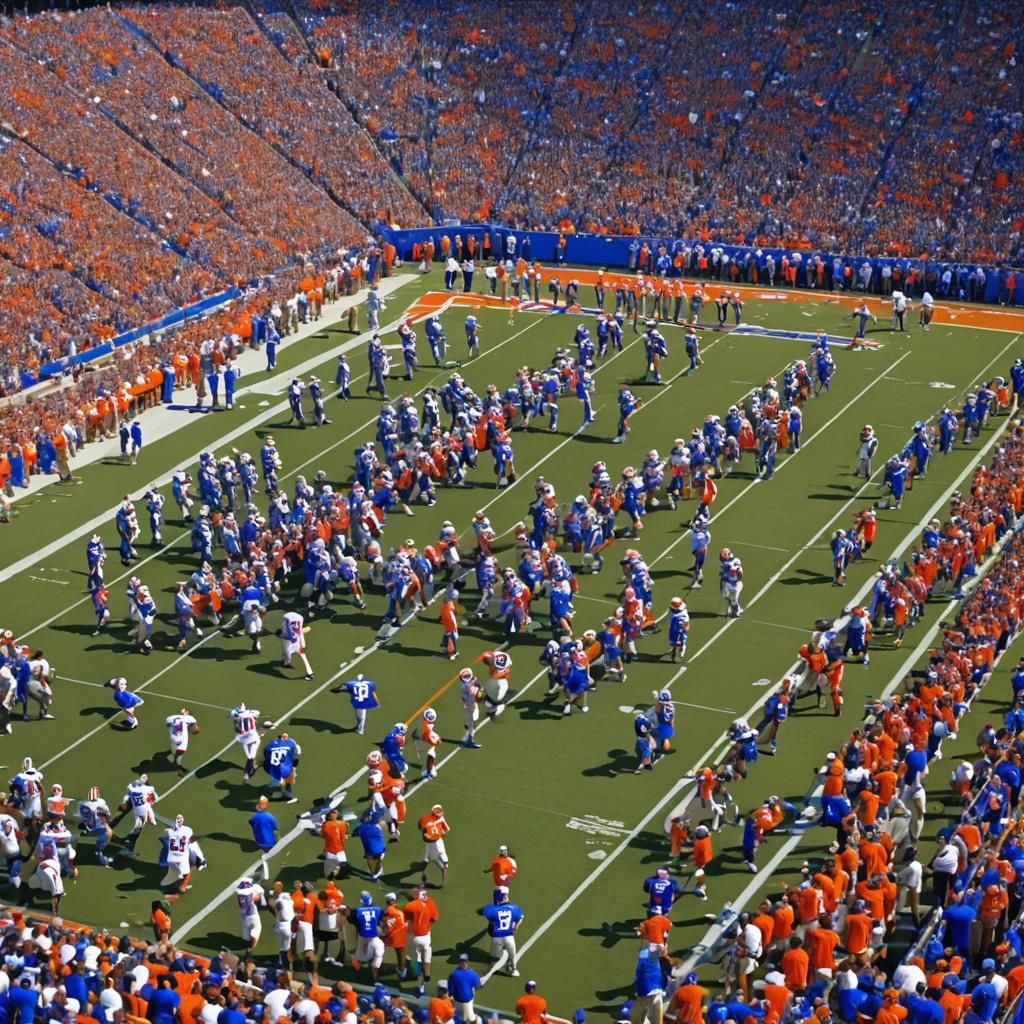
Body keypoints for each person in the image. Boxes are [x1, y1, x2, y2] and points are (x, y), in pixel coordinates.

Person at [478, 885, 524, 977]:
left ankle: (493, 966)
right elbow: (520, 918)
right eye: (506, 896)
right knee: (512, 955)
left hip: (496, 937)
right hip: (508, 936)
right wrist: (515, 928)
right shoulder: (513, 908)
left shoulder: (492, 909)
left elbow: (480, 912)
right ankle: (512, 969)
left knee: (496, 957)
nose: (507, 897)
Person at [420, 803, 451, 888]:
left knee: (438, 858)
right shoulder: (429, 819)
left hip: (436, 842)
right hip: (429, 843)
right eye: (436, 811)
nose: (438, 813)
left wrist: (439, 834)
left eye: (439, 811)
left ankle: (442, 870)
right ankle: (425, 875)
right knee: (427, 858)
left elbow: (447, 829)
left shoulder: (441, 819)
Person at [249, 796, 279, 879]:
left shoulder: (253, 817)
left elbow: (252, 824)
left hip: (260, 842)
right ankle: (265, 875)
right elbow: (276, 828)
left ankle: (265, 875)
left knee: (264, 856)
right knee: (266, 857)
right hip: (271, 841)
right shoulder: (270, 816)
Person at [448, 953, 482, 1024]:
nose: (464, 963)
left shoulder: (453, 974)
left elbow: (451, 992)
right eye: (463, 961)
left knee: (459, 1018)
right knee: (472, 1019)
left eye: (464, 961)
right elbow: (477, 986)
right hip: (467, 1001)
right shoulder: (473, 974)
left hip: (457, 1002)